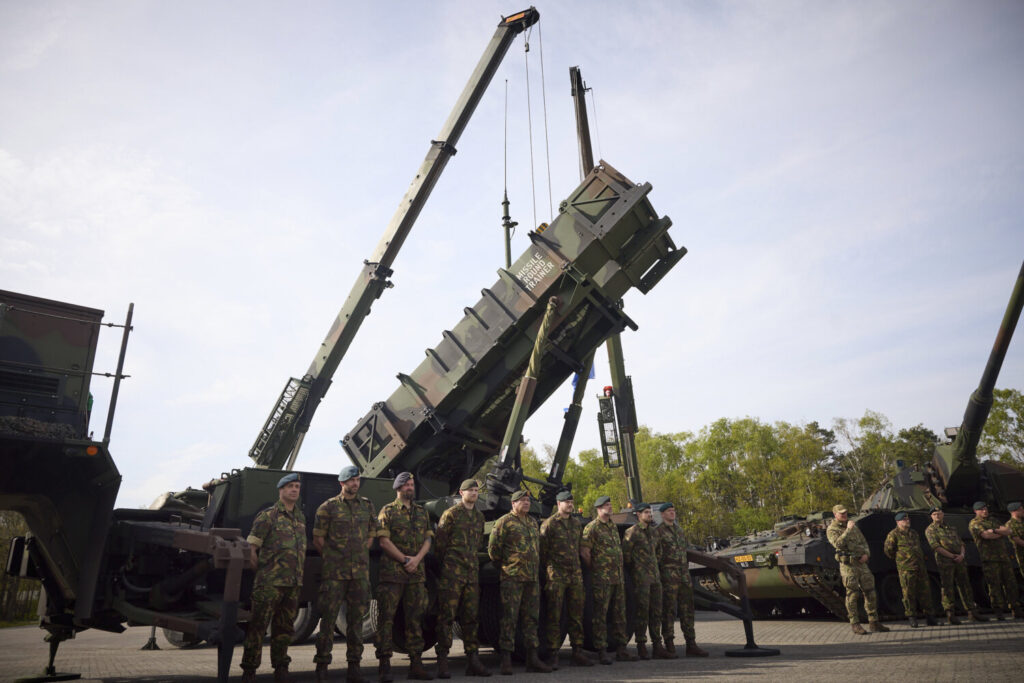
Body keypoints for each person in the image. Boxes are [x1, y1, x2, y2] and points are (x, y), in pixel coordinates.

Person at [313, 465, 377, 683]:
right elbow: (318, 539)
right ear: (342, 483)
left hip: (359, 574)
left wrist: (360, 552)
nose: (355, 484)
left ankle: (354, 668)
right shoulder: (327, 508)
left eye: (357, 480)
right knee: (328, 621)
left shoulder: (367, 505)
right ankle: (322, 667)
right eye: (351, 480)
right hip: (335, 574)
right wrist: (334, 559)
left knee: (356, 622)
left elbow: (371, 534)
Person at [241, 473, 307, 683]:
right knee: (258, 627)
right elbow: (251, 550)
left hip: (292, 584)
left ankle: (281, 668)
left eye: (297, 486)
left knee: (284, 629)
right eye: (290, 487)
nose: (294, 490)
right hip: (269, 584)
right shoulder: (267, 516)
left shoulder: (300, 517)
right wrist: (263, 574)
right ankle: (249, 671)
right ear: (281, 490)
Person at [376, 472, 434, 681]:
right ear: (398, 488)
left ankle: (416, 665)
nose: (411, 487)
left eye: (412, 484)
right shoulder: (388, 511)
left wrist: (417, 560)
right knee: (387, 619)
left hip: (416, 574)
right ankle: (384, 665)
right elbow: (383, 541)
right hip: (393, 574)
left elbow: (428, 539)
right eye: (407, 485)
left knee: (415, 619)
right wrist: (404, 560)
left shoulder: (421, 512)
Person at [487, 489, 550, 675]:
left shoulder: (532, 522)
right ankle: (506, 659)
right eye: (522, 500)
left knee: (531, 619)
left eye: (528, 500)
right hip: (512, 578)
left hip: (531, 578)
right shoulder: (504, 522)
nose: (526, 503)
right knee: (509, 618)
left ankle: (532, 658)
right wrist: (508, 567)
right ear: (513, 504)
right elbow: (493, 551)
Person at [434, 479, 491, 678]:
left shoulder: (479, 517)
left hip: (471, 574)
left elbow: (478, 545)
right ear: (461, 492)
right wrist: (450, 565)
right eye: (470, 490)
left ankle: (473, 660)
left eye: (476, 490)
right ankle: (443, 660)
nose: (474, 493)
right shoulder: (451, 514)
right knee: (446, 617)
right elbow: (440, 545)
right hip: (452, 573)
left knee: (471, 618)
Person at [538, 491, 594, 669]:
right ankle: (553, 653)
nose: (570, 504)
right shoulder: (549, 524)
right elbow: (543, 551)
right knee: (554, 616)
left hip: (575, 575)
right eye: (566, 502)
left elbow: (580, 547)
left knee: (576, 615)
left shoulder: (576, 524)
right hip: (557, 576)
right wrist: (552, 569)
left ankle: (577, 651)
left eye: (571, 501)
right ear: (558, 503)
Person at [581, 496, 636, 664]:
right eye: (606, 505)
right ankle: (602, 650)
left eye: (610, 504)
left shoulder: (612, 526)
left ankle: (621, 649)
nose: (610, 507)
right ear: (599, 509)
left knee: (619, 614)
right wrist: (596, 569)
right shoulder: (592, 527)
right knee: (600, 616)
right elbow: (585, 552)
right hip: (602, 579)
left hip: (617, 579)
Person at [653, 502, 707, 657]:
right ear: (662, 514)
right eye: (669, 511)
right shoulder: (658, 532)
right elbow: (655, 555)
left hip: (683, 576)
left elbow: (685, 549)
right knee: (669, 611)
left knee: (687, 610)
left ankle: (691, 644)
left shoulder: (679, 530)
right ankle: (669, 643)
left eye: (673, 510)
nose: (672, 513)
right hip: (669, 576)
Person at [826, 504, 889, 635]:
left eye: (845, 512)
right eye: (841, 513)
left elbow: (863, 541)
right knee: (852, 594)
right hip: (848, 566)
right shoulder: (832, 529)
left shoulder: (853, 526)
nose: (844, 515)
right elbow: (838, 544)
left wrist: (867, 554)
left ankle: (874, 622)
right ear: (835, 515)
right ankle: (855, 624)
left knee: (870, 591)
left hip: (861, 563)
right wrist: (848, 530)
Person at [924, 506, 987, 624]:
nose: (937, 515)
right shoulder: (930, 530)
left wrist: (962, 555)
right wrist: (952, 556)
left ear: (943, 514)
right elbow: (936, 547)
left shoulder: (951, 528)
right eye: (934, 514)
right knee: (948, 587)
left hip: (960, 560)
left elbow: (961, 543)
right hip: (945, 561)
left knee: (965, 585)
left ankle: (972, 611)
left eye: (939, 513)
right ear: (931, 516)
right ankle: (950, 613)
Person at [622, 503, 669, 660]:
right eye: (646, 512)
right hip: (640, 579)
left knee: (656, 612)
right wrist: (638, 569)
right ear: (638, 515)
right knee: (642, 612)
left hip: (655, 578)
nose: (650, 515)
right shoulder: (632, 532)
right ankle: (641, 645)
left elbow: (659, 553)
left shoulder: (654, 533)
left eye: (651, 512)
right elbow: (626, 556)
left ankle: (657, 646)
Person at [882, 512, 939, 627]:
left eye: (908, 519)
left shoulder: (914, 533)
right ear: (898, 522)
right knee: (908, 594)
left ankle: (930, 617)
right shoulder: (893, 534)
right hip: (906, 569)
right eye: (904, 520)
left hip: (920, 567)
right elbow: (889, 551)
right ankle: (912, 616)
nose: (907, 521)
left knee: (925, 593)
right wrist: (902, 560)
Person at [968, 501, 1021, 619]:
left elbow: (1008, 531)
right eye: (981, 509)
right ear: (975, 511)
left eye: (985, 508)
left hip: (1003, 557)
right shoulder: (975, 523)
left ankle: (1015, 608)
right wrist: (998, 532)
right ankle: (998, 611)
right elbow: (986, 535)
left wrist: (994, 531)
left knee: (1010, 583)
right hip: (989, 559)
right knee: (994, 585)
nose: (984, 511)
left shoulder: (993, 520)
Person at [1008, 502, 1024, 575]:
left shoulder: (1022, 521)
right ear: (1014, 512)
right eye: (1020, 509)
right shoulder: (1010, 524)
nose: (1023, 510)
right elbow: (1017, 540)